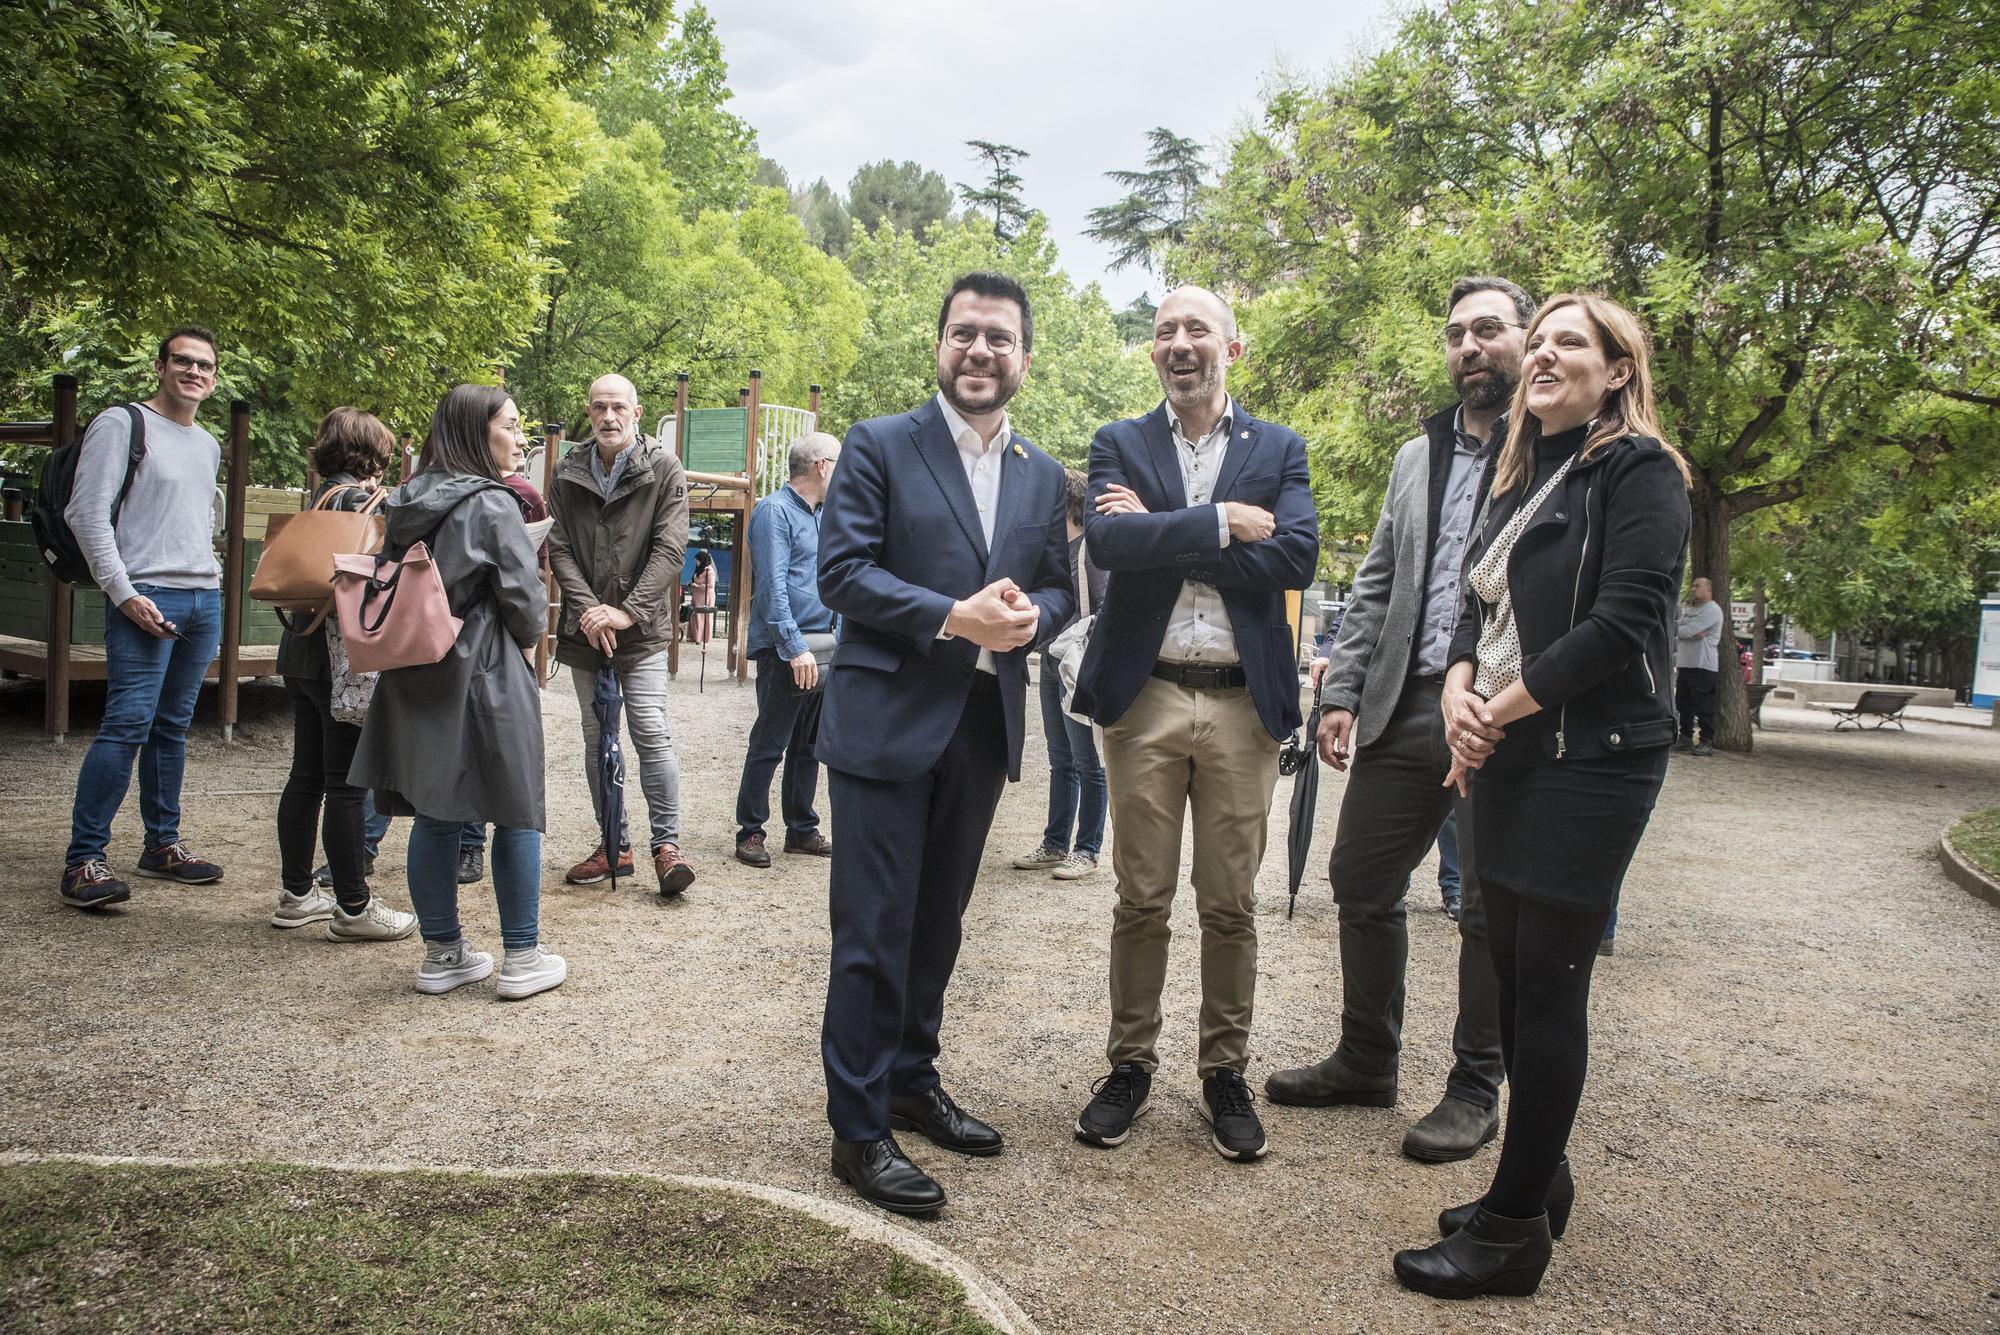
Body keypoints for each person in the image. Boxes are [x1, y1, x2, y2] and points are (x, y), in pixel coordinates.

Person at [1394, 293, 1691, 1298]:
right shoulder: (1525, 472)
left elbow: (1620, 626)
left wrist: (1495, 709)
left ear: (1616, 372)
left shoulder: (1639, 472)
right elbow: (1477, 605)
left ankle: (1512, 1232)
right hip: (1512, 752)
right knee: (1514, 986)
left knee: (1550, 991)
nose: (1544, 354)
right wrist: (1454, 684)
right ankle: (1538, 1178)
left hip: (1591, 758)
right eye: (1543, 340)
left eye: (1573, 341)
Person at [816, 271, 1074, 1215]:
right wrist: (952, 616)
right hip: (886, 723)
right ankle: (858, 1128)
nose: (980, 351)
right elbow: (840, 571)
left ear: (1023, 360)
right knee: (872, 931)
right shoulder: (881, 443)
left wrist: (1027, 616)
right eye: (964, 334)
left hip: (979, 726)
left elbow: (1058, 587)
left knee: (939, 924)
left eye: (999, 339)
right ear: (939, 346)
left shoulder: (1044, 472)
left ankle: (912, 1081)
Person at [1272, 276, 1526, 1164]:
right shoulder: (1419, 454)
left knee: (1490, 906)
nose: (1469, 346)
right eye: (1456, 333)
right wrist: (1338, 692)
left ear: (1526, 341)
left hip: (1502, 713)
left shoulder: (1561, 448)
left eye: (1488, 329)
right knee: (1361, 875)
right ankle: (1368, 1057)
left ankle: (1472, 1087)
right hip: (1402, 701)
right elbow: (1378, 578)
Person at [1069, 285, 1320, 1163]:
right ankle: (1130, 1065)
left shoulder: (1280, 448)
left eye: (1197, 329)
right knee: (1141, 897)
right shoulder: (1119, 443)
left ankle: (1225, 1073)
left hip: (1244, 702)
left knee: (1230, 903)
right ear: (1154, 352)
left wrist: (1163, 532)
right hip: (1147, 697)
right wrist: (1220, 523)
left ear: (1231, 349)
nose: (1181, 342)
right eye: (1166, 330)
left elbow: (1295, 554)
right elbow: (1109, 549)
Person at [348, 385, 564, 1000]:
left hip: (416, 667)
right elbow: (525, 607)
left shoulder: (405, 498)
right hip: (486, 667)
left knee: (437, 810)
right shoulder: (493, 505)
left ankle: (443, 954)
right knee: (516, 805)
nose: (520, 438)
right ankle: (522, 956)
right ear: (478, 432)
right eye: (511, 426)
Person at [59, 326, 229, 910]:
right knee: (127, 724)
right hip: (147, 595)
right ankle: (83, 861)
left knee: (171, 727)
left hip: (203, 598)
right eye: (183, 361)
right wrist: (123, 593)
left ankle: (162, 846)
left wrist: (213, 584)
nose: (195, 372)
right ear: (160, 367)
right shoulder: (121, 423)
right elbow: (85, 514)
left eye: (205, 365)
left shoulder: (207, 443)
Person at [270, 408, 417, 942]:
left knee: (305, 776)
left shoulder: (320, 499)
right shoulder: (360, 502)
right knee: (345, 784)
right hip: (337, 657)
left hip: (300, 650)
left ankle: (296, 893)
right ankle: (354, 906)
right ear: (370, 453)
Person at [547, 373, 694, 896]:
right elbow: (558, 547)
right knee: (596, 739)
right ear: (588, 413)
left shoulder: (662, 468)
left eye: (617, 408)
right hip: (587, 632)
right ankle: (616, 847)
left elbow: (670, 549)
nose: (608, 417)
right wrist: (591, 611)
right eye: (598, 408)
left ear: (636, 412)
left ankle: (666, 847)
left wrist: (626, 613)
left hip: (642, 629)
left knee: (650, 731)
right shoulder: (566, 469)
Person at [733, 432, 840, 867]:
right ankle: (751, 831)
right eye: (840, 462)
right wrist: (795, 648)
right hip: (787, 650)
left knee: (810, 745)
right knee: (770, 742)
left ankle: (802, 830)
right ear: (821, 466)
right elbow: (772, 589)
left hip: (826, 647)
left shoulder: (826, 515)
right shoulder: (773, 512)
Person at [1012, 467, 1108, 881]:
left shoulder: (1092, 549)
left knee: (1088, 760)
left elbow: (1105, 609)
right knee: (1059, 758)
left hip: (1078, 663)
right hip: (1051, 660)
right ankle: (1055, 843)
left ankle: (1086, 849)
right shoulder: (1056, 548)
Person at [1675, 576, 1722, 755]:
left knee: (1703, 705)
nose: (1693, 589)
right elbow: (1679, 628)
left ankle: (1706, 741)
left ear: (1708, 589)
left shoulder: (1713, 610)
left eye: (1697, 586)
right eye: (1693, 586)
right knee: (1683, 703)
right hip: (1686, 662)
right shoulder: (1690, 609)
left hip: (1703, 665)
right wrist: (1688, 631)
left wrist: (1689, 631)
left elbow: (1688, 630)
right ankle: (1685, 737)